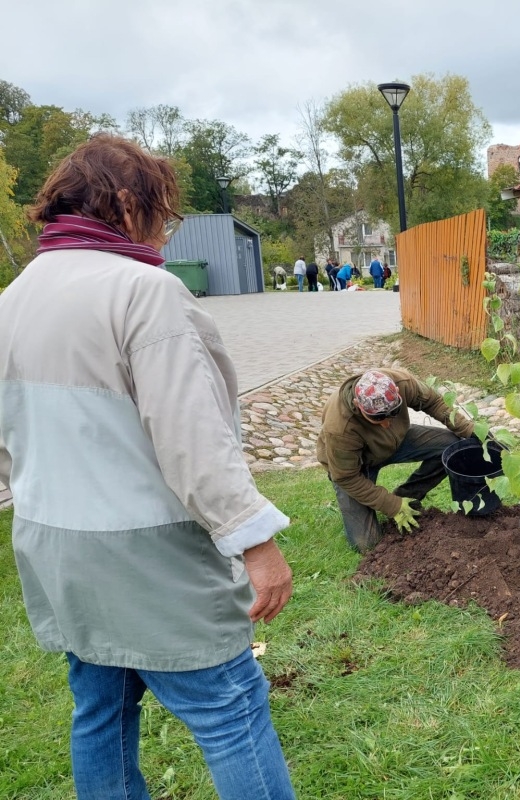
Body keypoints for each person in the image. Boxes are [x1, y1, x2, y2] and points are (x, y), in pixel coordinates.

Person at [0, 134, 297, 798]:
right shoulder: (143, 291)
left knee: (101, 713)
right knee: (230, 712)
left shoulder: (10, 300)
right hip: (146, 552)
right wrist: (254, 539)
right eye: (163, 210)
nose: (165, 229)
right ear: (130, 204)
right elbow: (191, 437)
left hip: (56, 548)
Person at [317, 368, 475, 553]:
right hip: (356, 466)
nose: (385, 423)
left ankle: (406, 496)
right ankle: (397, 504)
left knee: (451, 448)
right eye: (377, 418)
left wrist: (471, 431)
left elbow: (433, 402)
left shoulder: (401, 383)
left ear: (398, 395)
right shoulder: (340, 428)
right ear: (357, 404)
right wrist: (391, 506)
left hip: (395, 442)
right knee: (366, 544)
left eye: (393, 412)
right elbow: (345, 477)